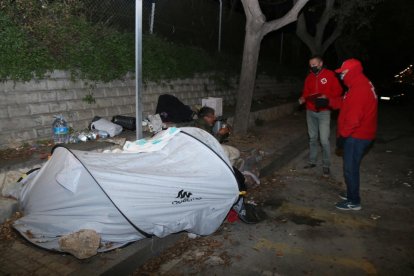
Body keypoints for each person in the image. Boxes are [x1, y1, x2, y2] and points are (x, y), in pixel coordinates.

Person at [331, 58, 378, 211]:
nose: (342, 76)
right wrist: (329, 102)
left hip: (357, 136)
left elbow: (353, 119)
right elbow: (346, 103)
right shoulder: (358, 84)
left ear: (353, 72)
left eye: (343, 73)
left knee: (350, 168)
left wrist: (342, 137)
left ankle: (354, 201)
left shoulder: (359, 89)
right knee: (351, 167)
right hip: (359, 135)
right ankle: (351, 193)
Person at [299, 55, 343, 177]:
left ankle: (326, 165)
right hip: (310, 111)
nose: (312, 67)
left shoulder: (330, 75)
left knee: (324, 140)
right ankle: (312, 161)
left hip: (324, 111)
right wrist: (303, 98)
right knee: (312, 138)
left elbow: (338, 91)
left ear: (321, 64)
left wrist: (326, 96)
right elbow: (306, 92)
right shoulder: (309, 78)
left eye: (314, 64)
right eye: (310, 65)